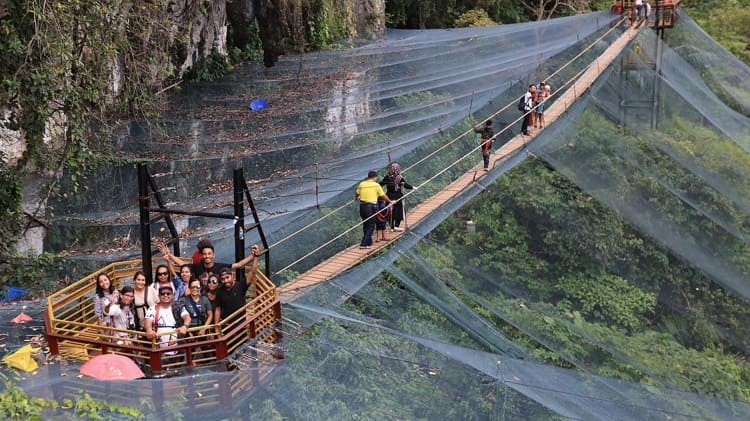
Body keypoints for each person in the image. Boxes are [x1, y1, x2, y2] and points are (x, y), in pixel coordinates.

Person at [213, 244, 261, 324]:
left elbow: (252, 272)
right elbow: (218, 309)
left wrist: (256, 257)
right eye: (223, 279)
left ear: (232, 276)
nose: (225, 280)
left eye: (227, 277)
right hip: (227, 324)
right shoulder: (219, 292)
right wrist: (217, 325)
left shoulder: (240, 286)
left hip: (241, 323)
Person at [145, 285, 190, 356]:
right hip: (158, 348)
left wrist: (185, 326)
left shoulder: (178, 307)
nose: (165, 295)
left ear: (172, 295)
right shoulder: (152, 308)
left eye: (168, 293)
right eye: (162, 294)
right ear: (159, 296)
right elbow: (148, 321)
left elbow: (187, 317)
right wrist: (149, 330)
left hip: (178, 347)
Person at [356, 171, 394, 249]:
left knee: (366, 223)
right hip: (370, 206)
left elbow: (357, 193)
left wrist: (356, 198)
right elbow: (383, 196)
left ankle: (368, 242)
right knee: (371, 225)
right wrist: (390, 201)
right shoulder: (376, 185)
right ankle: (363, 244)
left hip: (362, 206)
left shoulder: (362, 184)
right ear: (375, 177)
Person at [379, 163, 413, 231]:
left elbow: (380, 184)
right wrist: (412, 187)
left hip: (389, 197)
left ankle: (392, 227)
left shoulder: (387, 177)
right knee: (398, 211)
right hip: (398, 196)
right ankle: (395, 226)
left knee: (389, 211)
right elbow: (406, 185)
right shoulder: (400, 177)